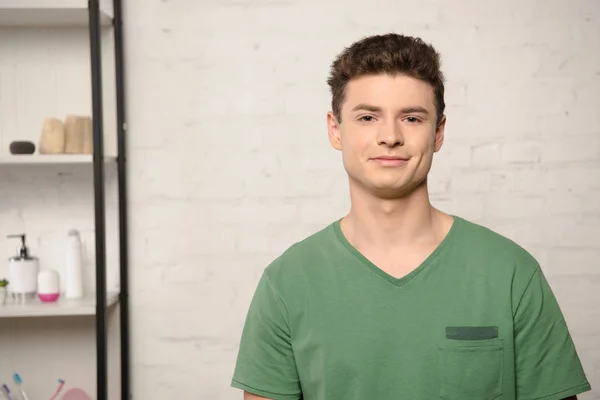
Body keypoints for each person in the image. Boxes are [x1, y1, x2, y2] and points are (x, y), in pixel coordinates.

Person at [230, 33, 591, 400]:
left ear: (438, 133)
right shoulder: (287, 283)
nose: (390, 136)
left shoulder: (511, 273)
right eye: (368, 116)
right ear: (335, 130)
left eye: (412, 118)